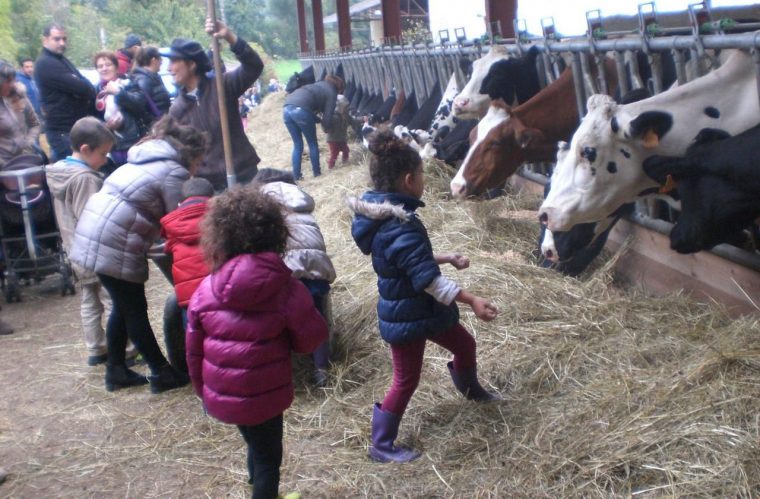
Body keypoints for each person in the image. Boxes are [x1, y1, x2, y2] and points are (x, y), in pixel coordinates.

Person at [347, 130, 500, 463]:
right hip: (408, 316)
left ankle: (473, 392)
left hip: (420, 309)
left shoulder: (387, 218)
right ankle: (381, 444)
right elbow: (428, 281)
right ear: (408, 180)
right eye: (421, 175)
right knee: (405, 380)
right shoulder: (401, 226)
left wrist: (445, 257)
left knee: (465, 346)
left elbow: (410, 263)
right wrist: (472, 299)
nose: (424, 181)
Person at [187, 185, 327, 499]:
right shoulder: (285, 286)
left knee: (254, 445)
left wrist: (204, 391)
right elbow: (311, 340)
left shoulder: (205, 288)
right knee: (268, 461)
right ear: (276, 234)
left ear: (220, 237)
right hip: (266, 396)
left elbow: (193, 349)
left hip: (223, 393)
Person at [70, 116, 205, 393]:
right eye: (199, 162)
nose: (197, 168)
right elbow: (178, 222)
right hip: (113, 240)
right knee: (134, 309)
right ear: (191, 155)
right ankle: (161, 371)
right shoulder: (173, 171)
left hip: (94, 232)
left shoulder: (142, 159)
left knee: (123, 304)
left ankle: (116, 370)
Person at [46, 117, 137, 366]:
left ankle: (96, 347)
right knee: (112, 299)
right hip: (94, 249)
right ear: (85, 149)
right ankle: (126, 348)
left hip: (73, 248)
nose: (106, 159)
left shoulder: (60, 173)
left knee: (89, 300)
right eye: (103, 153)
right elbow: (93, 216)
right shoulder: (85, 178)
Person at [253, 168, 336, 386]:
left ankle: (286, 370)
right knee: (318, 317)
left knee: (280, 320)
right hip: (316, 269)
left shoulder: (257, 206)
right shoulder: (300, 201)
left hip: (284, 274)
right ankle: (321, 369)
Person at [165, 19, 263, 191]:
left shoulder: (221, 86)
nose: (168, 68)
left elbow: (253, 66)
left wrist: (229, 36)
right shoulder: (176, 110)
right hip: (210, 187)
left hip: (245, 176)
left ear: (192, 64)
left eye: (173, 61)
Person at [34, 23, 97, 162]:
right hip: (62, 132)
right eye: (57, 39)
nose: (62, 43)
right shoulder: (46, 63)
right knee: (74, 174)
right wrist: (83, 86)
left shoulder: (60, 60)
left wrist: (84, 86)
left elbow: (86, 85)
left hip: (72, 129)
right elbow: (83, 88)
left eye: (64, 39)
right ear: (45, 40)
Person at [159, 177, 213, 322]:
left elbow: (167, 251)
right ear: (212, 198)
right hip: (218, 290)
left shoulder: (172, 225)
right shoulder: (220, 218)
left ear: (180, 202)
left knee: (191, 332)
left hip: (189, 298)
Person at [92, 51, 151, 168]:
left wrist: (118, 92)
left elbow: (139, 105)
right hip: (108, 147)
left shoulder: (128, 84)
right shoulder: (95, 90)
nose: (104, 69)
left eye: (108, 65)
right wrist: (105, 126)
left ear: (116, 67)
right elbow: (92, 119)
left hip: (132, 143)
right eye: (100, 66)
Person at [282, 74, 343, 180]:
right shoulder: (332, 92)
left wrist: (318, 120)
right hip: (301, 110)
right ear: (339, 86)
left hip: (287, 108)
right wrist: (327, 128)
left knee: (297, 144)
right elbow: (328, 117)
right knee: (312, 144)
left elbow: (314, 111)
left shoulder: (318, 84)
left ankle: (296, 176)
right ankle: (317, 173)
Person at [0, 67, 41, 167]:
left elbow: (35, 124)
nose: (12, 84)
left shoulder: (19, 96)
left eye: (13, 80)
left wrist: (28, 144)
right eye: (8, 81)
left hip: (24, 159)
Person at [131, 46, 171, 118]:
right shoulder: (144, 80)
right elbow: (142, 106)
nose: (162, 61)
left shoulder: (152, 77)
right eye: (160, 58)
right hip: (155, 125)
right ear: (154, 60)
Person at [326, 94, 360, 169]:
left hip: (342, 139)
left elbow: (353, 121)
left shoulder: (346, 115)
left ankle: (345, 163)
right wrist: (327, 129)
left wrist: (362, 119)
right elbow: (326, 124)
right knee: (334, 154)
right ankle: (330, 167)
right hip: (333, 139)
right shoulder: (333, 117)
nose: (347, 108)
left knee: (346, 150)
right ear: (341, 107)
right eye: (346, 107)